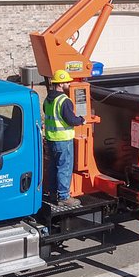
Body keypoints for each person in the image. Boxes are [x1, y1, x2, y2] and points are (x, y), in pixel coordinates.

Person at [43, 69, 84, 206]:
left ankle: (53, 193)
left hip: (50, 139)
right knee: (64, 167)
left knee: (53, 166)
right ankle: (64, 197)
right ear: (60, 84)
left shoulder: (48, 100)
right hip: (63, 140)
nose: (68, 84)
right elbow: (70, 120)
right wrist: (81, 120)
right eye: (66, 82)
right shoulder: (64, 100)